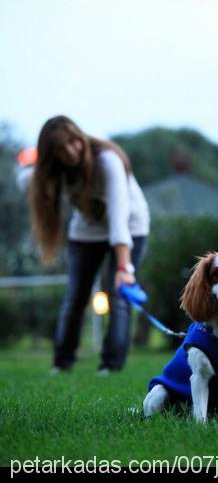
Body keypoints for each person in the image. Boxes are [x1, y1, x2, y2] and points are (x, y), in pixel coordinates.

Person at [20, 115, 150, 375]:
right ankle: (61, 362)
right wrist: (27, 167)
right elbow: (24, 180)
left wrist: (125, 267)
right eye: (61, 148)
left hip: (130, 227)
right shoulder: (55, 172)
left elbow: (118, 216)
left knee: (119, 296)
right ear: (52, 155)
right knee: (75, 297)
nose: (71, 151)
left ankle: (111, 366)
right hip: (86, 232)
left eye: (73, 142)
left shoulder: (108, 160)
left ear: (80, 137)